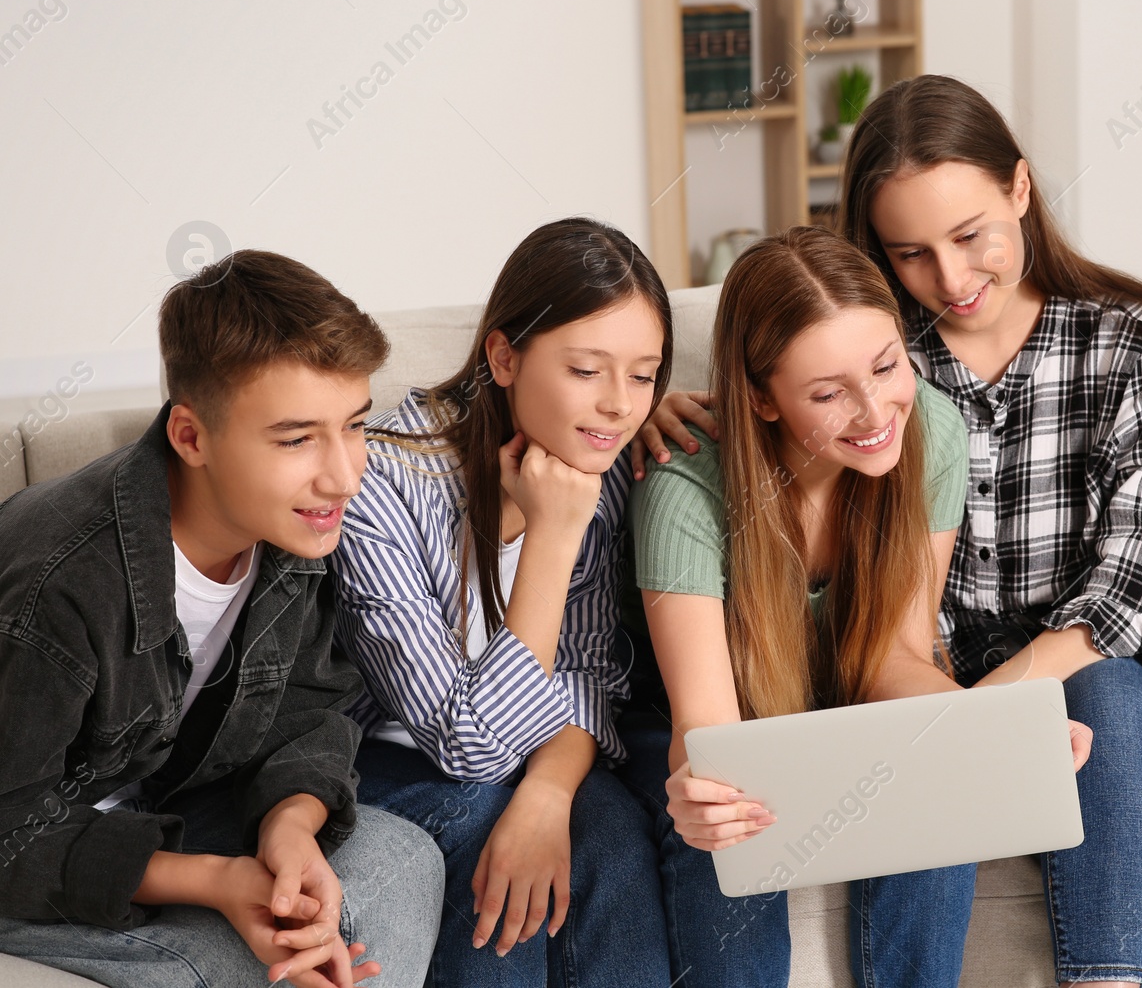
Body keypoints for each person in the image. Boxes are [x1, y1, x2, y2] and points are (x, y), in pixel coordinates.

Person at [636, 76, 1142, 988]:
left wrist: (986, 722)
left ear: (1021, 190)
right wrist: (639, 405)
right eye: (911, 252)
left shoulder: (1116, 347)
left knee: (1091, 697)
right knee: (910, 745)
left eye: (971, 235)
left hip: (1081, 674)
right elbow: (876, 660)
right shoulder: (884, 353)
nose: (950, 280)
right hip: (922, 679)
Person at [621, 226, 1091, 987]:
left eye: (886, 365)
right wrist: (704, 793)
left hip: (845, 702)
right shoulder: (684, 491)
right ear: (762, 399)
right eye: (828, 393)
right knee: (721, 841)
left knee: (937, 799)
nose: (877, 409)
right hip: (702, 721)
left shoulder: (930, 428)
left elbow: (894, 658)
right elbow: (706, 734)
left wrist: (988, 733)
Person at [0, 250, 444, 988]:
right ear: (191, 437)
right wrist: (213, 881)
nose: (343, 473)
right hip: (34, 842)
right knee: (217, 966)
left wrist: (289, 829)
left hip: (162, 808)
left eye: (354, 425)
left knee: (398, 862)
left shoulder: (296, 525)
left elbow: (310, 709)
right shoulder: (63, 582)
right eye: (297, 438)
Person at [331, 217, 672, 987]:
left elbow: (584, 673)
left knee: (613, 832)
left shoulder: (599, 460)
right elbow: (464, 745)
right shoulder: (380, 484)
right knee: (483, 822)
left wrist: (551, 792)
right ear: (504, 356)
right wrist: (552, 539)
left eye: (644, 374)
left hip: (526, 752)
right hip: (381, 760)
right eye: (587, 369)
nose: (620, 405)